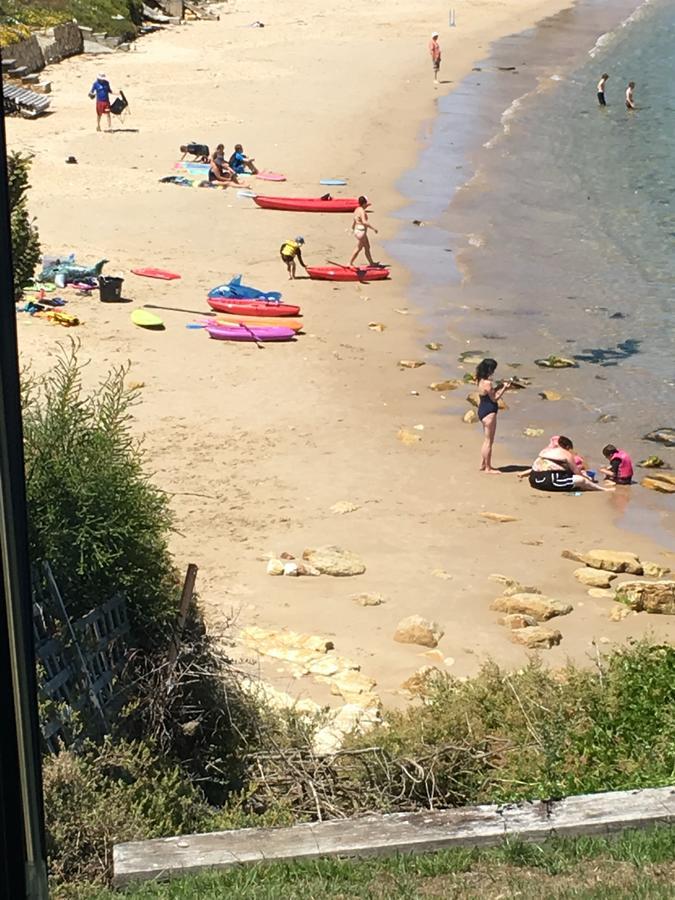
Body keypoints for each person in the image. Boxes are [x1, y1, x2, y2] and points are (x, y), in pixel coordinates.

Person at [525, 436, 611, 492]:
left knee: (575, 478)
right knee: (582, 480)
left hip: (533, 479)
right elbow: (576, 472)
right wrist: (587, 478)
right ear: (567, 447)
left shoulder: (546, 451)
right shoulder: (566, 454)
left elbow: (538, 466)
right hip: (548, 480)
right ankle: (603, 489)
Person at [476, 358, 512, 473]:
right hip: (489, 411)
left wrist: (499, 387)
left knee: (486, 440)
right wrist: (505, 388)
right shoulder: (488, 383)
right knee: (489, 441)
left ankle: (483, 463)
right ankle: (488, 467)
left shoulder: (480, 380)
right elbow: (495, 398)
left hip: (482, 409)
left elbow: (489, 393)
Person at [349, 196, 378, 267]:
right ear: (364, 203)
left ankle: (371, 263)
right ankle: (349, 262)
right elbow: (364, 222)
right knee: (359, 248)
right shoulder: (362, 211)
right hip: (361, 232)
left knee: (367, 247)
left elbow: (355, 219)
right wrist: (373, 228)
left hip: (358, 230)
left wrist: (352, 228)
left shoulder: (357, 209)